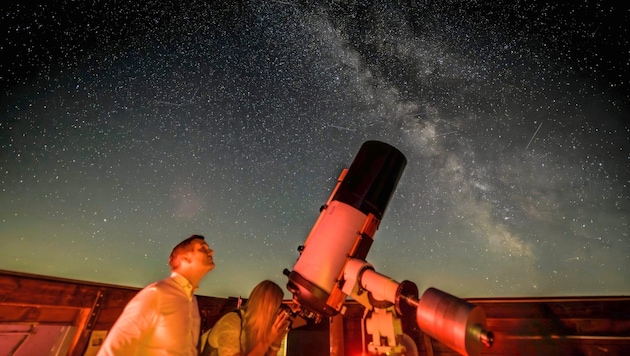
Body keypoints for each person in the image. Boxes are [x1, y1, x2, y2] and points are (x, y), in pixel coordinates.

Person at [97, 234, 215, 355]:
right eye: (203, 248)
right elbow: (113, 350)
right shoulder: (157, 293)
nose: (211, 252)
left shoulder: (192, 301)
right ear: (185, 258)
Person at [203, 280, 291, 356]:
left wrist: (275, 343)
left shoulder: (254, 332)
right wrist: (267, 340)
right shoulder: (231, 322)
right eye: (278, 307)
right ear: (269, 309)